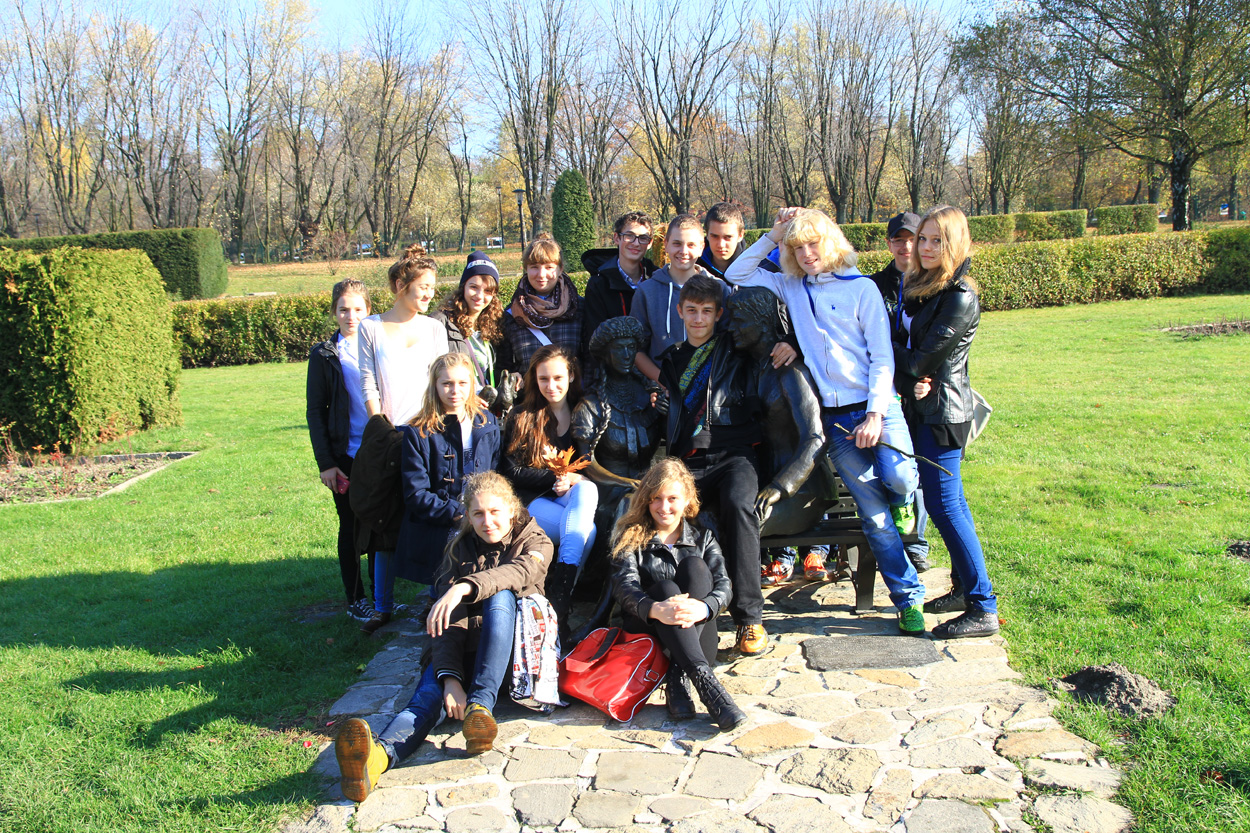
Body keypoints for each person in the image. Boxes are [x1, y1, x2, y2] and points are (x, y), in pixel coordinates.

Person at [725, 207, 927, 636]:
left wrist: (875, 414)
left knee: (900, 479)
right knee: (875, 520)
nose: (806, 254)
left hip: (877, 407)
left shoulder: (862, 289)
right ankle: (908, 599)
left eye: (812, 244)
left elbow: (882, 357)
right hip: (837, 422)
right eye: (797, 247)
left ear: (831, 241)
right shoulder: (791, 285)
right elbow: (736, 273)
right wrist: (773, 235)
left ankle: (907, 501)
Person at [334, 471, 554, 802]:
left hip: (511, 657)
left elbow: (519, 572)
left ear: (512, 509)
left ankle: (481, 706)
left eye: (495, 511)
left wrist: (464, 586)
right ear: (468, 515)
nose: (487, 522)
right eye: (478, 514)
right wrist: (450, 679)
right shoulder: (457, 548)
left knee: (501, 595)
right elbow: (444, 620)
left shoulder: (536, 541)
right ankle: (374, 760)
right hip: (462, 651)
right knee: (424, 700)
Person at [894, 206, 999, 639]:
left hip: (943, 415)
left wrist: (878, 348)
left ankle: (983, 606)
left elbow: (919, 360)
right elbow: (911, 358)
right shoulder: (922, 286)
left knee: (945, 507)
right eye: (923, 238)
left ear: (955, 243)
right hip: (924, 409)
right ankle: (963, 590)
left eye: (937, 240)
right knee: (950, 505)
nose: (926, 247)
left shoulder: (959, 296)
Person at [657, 275, 769, 655]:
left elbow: (771, 334)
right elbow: (671, 414)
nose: (699, 319)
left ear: (719, 314)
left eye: (707, 311)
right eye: (692, 311)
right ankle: (686, 613)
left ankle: (750, 618)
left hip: (734, 454)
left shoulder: (736, 350)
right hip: (688, 462)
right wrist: (661, 406)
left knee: (738, 506)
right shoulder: (670, 360)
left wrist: (785, 345)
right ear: (680, 311)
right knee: (670, 514)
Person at [362, 353, 502, 633]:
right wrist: (458, 513)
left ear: (472, 384)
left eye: (462, 383)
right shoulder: (419, 431)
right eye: (446, 383)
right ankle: (440, 597)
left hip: (482, 510)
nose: (455, 391)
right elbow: (416, 492)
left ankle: (483, 598)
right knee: (454, 542)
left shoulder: (486, 422)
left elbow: (496, 474)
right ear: (435, 386)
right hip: (441, 515)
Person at [611, 458, 746, 731]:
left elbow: (724, 586)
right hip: (650, 637)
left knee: (696, 567)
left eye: (672, 498)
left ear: (687, 500)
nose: (664, 507)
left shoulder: (704, 539)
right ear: (646, 500)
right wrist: (654, 608)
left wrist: (704, 608)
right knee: (666, 590)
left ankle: (678, 675)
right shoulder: (630, 538)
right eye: (656, 498)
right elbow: (624, 586)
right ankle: (710, 689)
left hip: (698, 636)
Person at [501, 345, 598, 637]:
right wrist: (555, 477)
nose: (551, 386)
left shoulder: (584, 411)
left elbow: (590, 465)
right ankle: (561, 601)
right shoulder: (522, 415)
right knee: (588, 531)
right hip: (534, 501)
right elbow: (511, 471)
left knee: (587, 489)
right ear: (535, 379)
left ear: (571, 376)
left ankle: (558, 600)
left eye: (558, 378)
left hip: (572, 497)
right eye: (544, 379)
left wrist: (573, 478)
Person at [306, 279, 374, 621]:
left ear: (368, 310)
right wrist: (326, 463)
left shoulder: (378, 345)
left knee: (380, 527)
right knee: (350, 527)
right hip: (345, 454)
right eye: (344, 309)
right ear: (334, 312)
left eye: (358, 309)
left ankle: (382, 598)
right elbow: (315, 411)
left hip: (378, 451)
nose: (351, 316)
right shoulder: (325, 355)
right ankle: (356, 598)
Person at [870, 212, 932, 575]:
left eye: (913, 239)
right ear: (889, 243)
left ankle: (916, 544)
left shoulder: (934, 285)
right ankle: (887, 541)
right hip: (885, 387)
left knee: (915, 464)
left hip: (921, 387)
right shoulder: (874, 286)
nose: (906, 246)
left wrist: (923, 379)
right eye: (899, 239)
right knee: (889, 466)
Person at [631, 214, 731, 383]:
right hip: (663, 389)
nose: (683, 251)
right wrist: (664, 382)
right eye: (677, 243)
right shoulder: (646, 291)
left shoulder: (719, 288)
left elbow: (728, 343)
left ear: (701, 247)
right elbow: (636, 349)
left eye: (691, 245)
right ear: (666, 244)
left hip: (708, 387)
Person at [358, 244, 448, 426]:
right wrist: (380, 428)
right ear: (401, 285)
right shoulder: (370, 327)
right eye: (423, 287)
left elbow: (444, 380)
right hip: (389, 432)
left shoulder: (435, 328)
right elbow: (369, 385)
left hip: (427, 430)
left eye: (432, 288)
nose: (429, 294)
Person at [430, 250, 510, 410]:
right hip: (453, 408)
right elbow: (430, 373)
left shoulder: (496, 323)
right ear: (463, 287)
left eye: (488, 291)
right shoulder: (440, 322)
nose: (480, 296)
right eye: (474, 287)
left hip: (486, 409)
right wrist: (468, 396)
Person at [581, 211, 658, 371]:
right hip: (616, 371)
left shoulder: (658, 279)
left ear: (650, 243)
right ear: (617, 238)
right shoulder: (599, 283)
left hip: (655, 369)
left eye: (643, 238)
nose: (636, 243)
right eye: (629, 236)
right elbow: (595, 339)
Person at [501, 233, 583, 376]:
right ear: (526, 268)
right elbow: (505, 365)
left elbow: (590, 360)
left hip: (571, 390)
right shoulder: (512, 314)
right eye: (534, 267)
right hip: (528, 390)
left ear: (560, 269)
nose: (541, 274)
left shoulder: (579, 308)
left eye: (549, 267)